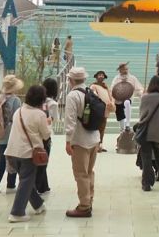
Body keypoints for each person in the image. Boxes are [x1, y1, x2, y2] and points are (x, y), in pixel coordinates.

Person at [5, 85, 50, 222]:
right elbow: (46, 134)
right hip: (28, 153)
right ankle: (17, 213)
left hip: (12, 152)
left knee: (26, 180)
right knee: (26, 181)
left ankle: (38, 205)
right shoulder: (40, 114)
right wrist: (48, 123)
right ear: (42, 99)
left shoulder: (18, 111)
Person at [63, 67, 101, 217]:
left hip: (80, 140)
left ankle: (84, 206)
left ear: (71, 80)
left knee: (80, 174)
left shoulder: (72, 96)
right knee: (89, 171)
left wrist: (68, 141)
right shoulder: (92, 92)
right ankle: (89, 199)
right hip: (94, 138)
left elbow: (70, 121)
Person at [0, 75, 23, 195]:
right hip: (10, 134)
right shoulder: (15, 100)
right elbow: (17, 118)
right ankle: (10, 185)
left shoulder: (0, 98)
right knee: (11, 159)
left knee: (2, 158)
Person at [37, 78, 59, 194]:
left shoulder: (38, 100)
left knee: (39, 158)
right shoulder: (53, 104)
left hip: (36, 133)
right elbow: (54, 119)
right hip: (46, 134)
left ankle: (44, 186)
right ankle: (38, 185)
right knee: (43, 160)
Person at [110, 63, 144, 132]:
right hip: (118, 99)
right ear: (120, 70)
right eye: (123, 69)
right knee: (121, 116)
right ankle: (122, 129)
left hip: (128, 97)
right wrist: (112, 101)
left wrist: (142, 94)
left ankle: (127, 124)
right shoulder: (116, 78)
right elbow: (112, 89)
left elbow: (139, 89)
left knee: (127, 102)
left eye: (126, 69)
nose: (125, 70)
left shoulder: (132, 78)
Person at [90, 71, 115, 152]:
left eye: (102, 75)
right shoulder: (93, 86)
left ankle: (100, 144)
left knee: (102, 128)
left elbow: (110, 97)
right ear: (96, 77)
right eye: (99, 75)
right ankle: (94, 145)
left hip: (106, 109)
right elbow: (93, 95)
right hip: (97, 110)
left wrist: (111, 103)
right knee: (96, 127)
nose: (101, 76)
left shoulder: (106, 87)